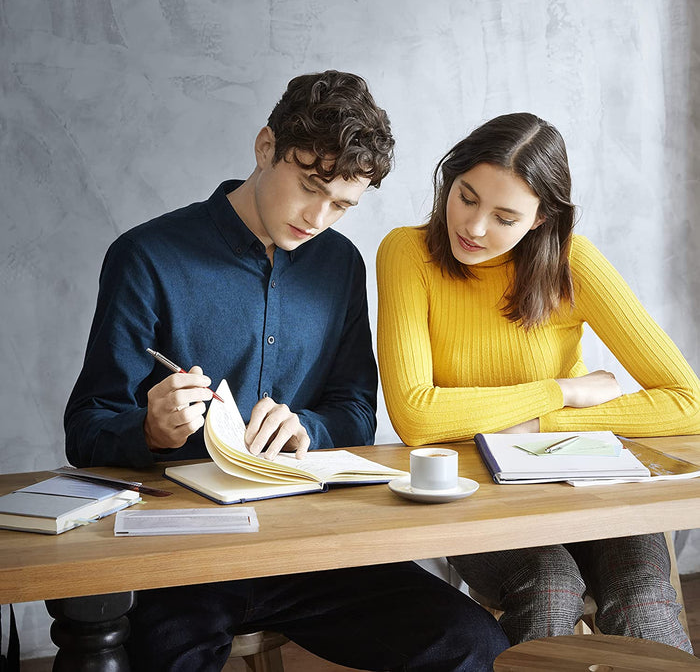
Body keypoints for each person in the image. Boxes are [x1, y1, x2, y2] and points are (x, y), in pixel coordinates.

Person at [65, 70, 508, 672]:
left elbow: (355, 411)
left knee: (472, 644)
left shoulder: (341, 265)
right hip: (184, 555)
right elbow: (86, 427)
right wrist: (148, 430)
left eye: (343, 205)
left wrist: (307, 429)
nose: (319, 217)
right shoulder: (146, 257)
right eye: (308, 187)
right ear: (265, 147)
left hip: (310, 543)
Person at [376, 112, 700, 652]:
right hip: (478, 500)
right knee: (549, 585)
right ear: (449, 180)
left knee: (642, 592)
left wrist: (540, 423)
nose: (474, 227)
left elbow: (688, 402)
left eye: (504, 216)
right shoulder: (408, 253)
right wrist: (562, 392)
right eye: (466, 196)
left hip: (590, 489)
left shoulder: (573, 262)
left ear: (541, 218)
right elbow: (416, 416)